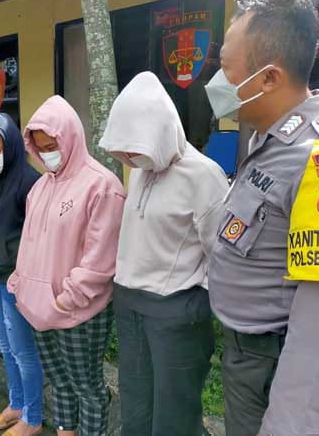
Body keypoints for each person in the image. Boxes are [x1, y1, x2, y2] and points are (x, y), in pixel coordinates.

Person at [205, 0, 319, 434]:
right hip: (253, 359)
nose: (217, 83)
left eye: (224, 69)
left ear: (269, 78)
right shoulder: (271, 140)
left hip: (278, 367)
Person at [99, 72, 228, 436]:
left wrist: (193, 302)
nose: (126, 157)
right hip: (130, 303)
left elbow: (221, 254)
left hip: (176, 311)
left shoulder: (204, 176)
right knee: (136, 403)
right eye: (121, 150)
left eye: (133, 148)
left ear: (159, 133)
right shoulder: (141, 169)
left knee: (175, 412)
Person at [9, 96, 125, 436]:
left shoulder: (101, 185)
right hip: (37, 305)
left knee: (87, 387)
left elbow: (101, 258)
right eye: (39, 146)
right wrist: (20, 283)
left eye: (52, 145)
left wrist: (66, 298)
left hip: (79, 310)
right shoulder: (40, 186)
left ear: (71, 137)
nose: (46, 153)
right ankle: (65, 430)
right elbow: (29, 243)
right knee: (59, 382)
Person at [0, 114, 42, 435]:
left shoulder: (29, 180)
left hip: (17, 282)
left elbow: (38, 238)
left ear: (11, 146)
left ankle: (33, 416)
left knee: (24, 351)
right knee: (5, 344)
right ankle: (16, 403)